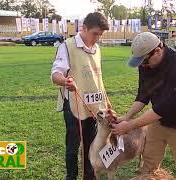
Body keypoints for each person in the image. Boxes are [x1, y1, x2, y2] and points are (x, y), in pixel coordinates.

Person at [111, 32, 176, 180]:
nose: (143, 66)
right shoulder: (146, 65)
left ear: (158, 51)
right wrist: (126, 117)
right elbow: (143, 95)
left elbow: (164, 107)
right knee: (149, 164)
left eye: (144, 62)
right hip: (158, 121)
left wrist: (130, 126)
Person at [51, 12, 111, 180]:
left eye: (100, 35)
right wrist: (65, 81)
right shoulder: (67, 46)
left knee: (91, 145)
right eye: (95, 33)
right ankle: (71, 176)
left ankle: (89, 176)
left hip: (94, 106)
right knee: (73, 146)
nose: (97, 38)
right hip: (74, 106)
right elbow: (56, 73)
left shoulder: (97, 49)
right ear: (84, 28)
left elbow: (98, 78)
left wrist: (106, 102)